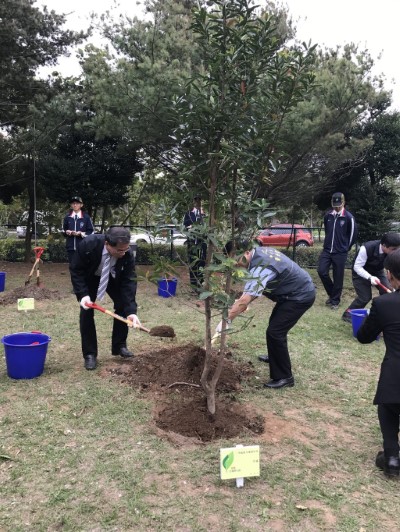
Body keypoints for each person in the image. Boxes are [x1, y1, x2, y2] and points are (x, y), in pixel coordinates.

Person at [215, 241, 316, 389]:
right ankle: (276, 357)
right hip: (291, 293)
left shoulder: (262, 266)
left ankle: (284, 377)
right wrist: (241, 303)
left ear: (247, 252)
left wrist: (226, 320)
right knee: (275, 328)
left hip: (299, 296)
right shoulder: (259, 253)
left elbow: (247, 299)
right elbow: (251, 292)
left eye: (235, 259)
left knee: (275, 332)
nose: (235, 263)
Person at [69, 226, 141, 370]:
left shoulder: (126, 253)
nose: (123, 253)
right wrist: (83, 295)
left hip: (112, 277)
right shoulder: (88, 244)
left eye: (126, 249)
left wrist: (131, 311)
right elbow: (76, 270)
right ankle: (90, 354)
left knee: (122, 305)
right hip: (91, 277)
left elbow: (129, 281)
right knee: (86, 311)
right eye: (119, 250)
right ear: (107, 244)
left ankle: (120, 346)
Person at [357, 249, 400, 477]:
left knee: (389, 407)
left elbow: (364, 336)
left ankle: (392, 457)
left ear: (389, 275)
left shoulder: (383, 304)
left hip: (395, 376)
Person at [342, 232, 400, 323]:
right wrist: (370, 277)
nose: (396, 251)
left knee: (387, 291)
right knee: (365, 297)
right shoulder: (366, 248)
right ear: (384, 246)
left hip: (377, 272)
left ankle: (384, 314)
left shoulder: (393, 252)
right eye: (394, 249)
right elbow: (357, 267)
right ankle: (347, 314)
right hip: (360, 273)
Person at [317, 192, 357, 309]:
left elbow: (352, 236)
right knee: (321, 271)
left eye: (339, 205)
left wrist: (345, 248)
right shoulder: (328, 216)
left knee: (338, 277)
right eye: (335, 205)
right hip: (327, 250)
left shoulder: (349, 217)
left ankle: (335, 301)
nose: (337, 207)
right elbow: (328, 232)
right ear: (332, 203)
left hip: (340, 252)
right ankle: (333, 294)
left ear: (343, 203)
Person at [183, 196, 207, 291]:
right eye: (196, 200)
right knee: (192, 263)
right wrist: (192, 225)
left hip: (202, 243)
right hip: (192, 243)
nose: (198, 203)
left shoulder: (204, 214)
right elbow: (186, 225)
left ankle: (201, 284)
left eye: (199, 200)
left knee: (202, 262)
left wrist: (202, 215)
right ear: (194, 202)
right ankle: (194, 286)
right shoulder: (189, 214)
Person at [62, 196, 94, 264]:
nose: (75, 205)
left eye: (77, 203)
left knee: (83, 267)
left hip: (83, 247)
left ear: (81, 205)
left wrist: (81, 234)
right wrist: (67, 232)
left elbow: (91, 232)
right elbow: (63, 230)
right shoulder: (67, 217)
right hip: (70, 248)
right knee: (72, 267)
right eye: (73, 203)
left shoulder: (86, 217)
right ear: (71, 205)